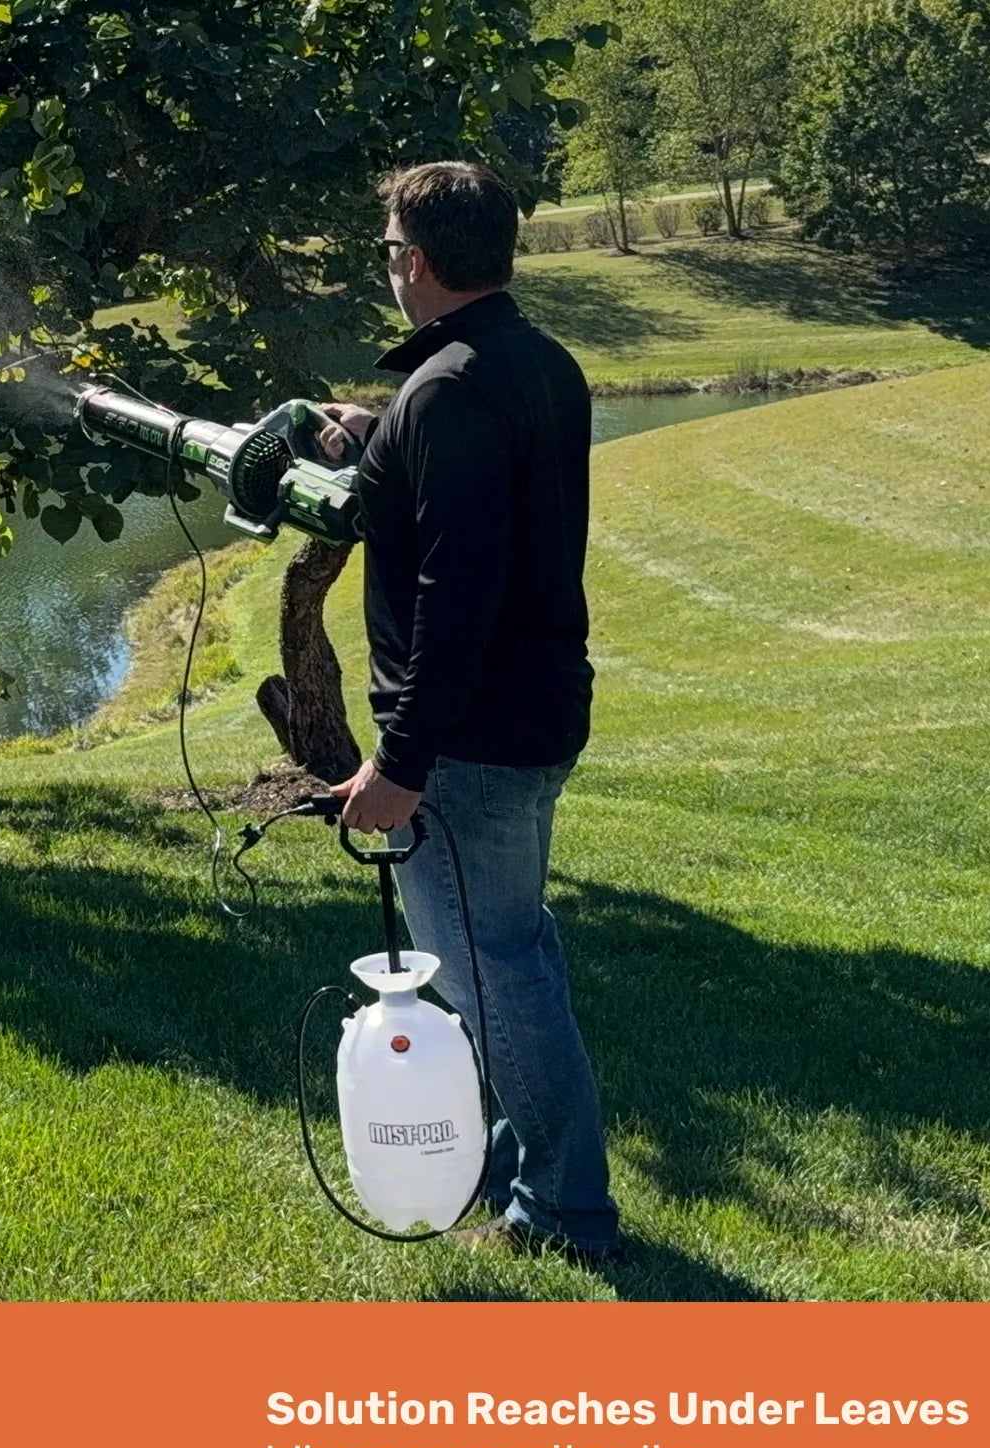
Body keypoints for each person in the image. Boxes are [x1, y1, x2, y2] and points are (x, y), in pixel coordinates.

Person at [319, 159, 622, 1269]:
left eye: (390, 248)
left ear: (419, 261)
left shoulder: (447, 389)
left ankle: (566, 1210)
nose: (389, 266)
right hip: (536, 715)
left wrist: (402, 762)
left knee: (497, 971)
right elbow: (466, 492)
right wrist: (379, 432)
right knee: (509, 954)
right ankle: (508, 1165)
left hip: (471, 740)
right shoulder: (531, 364)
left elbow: (459, 591)